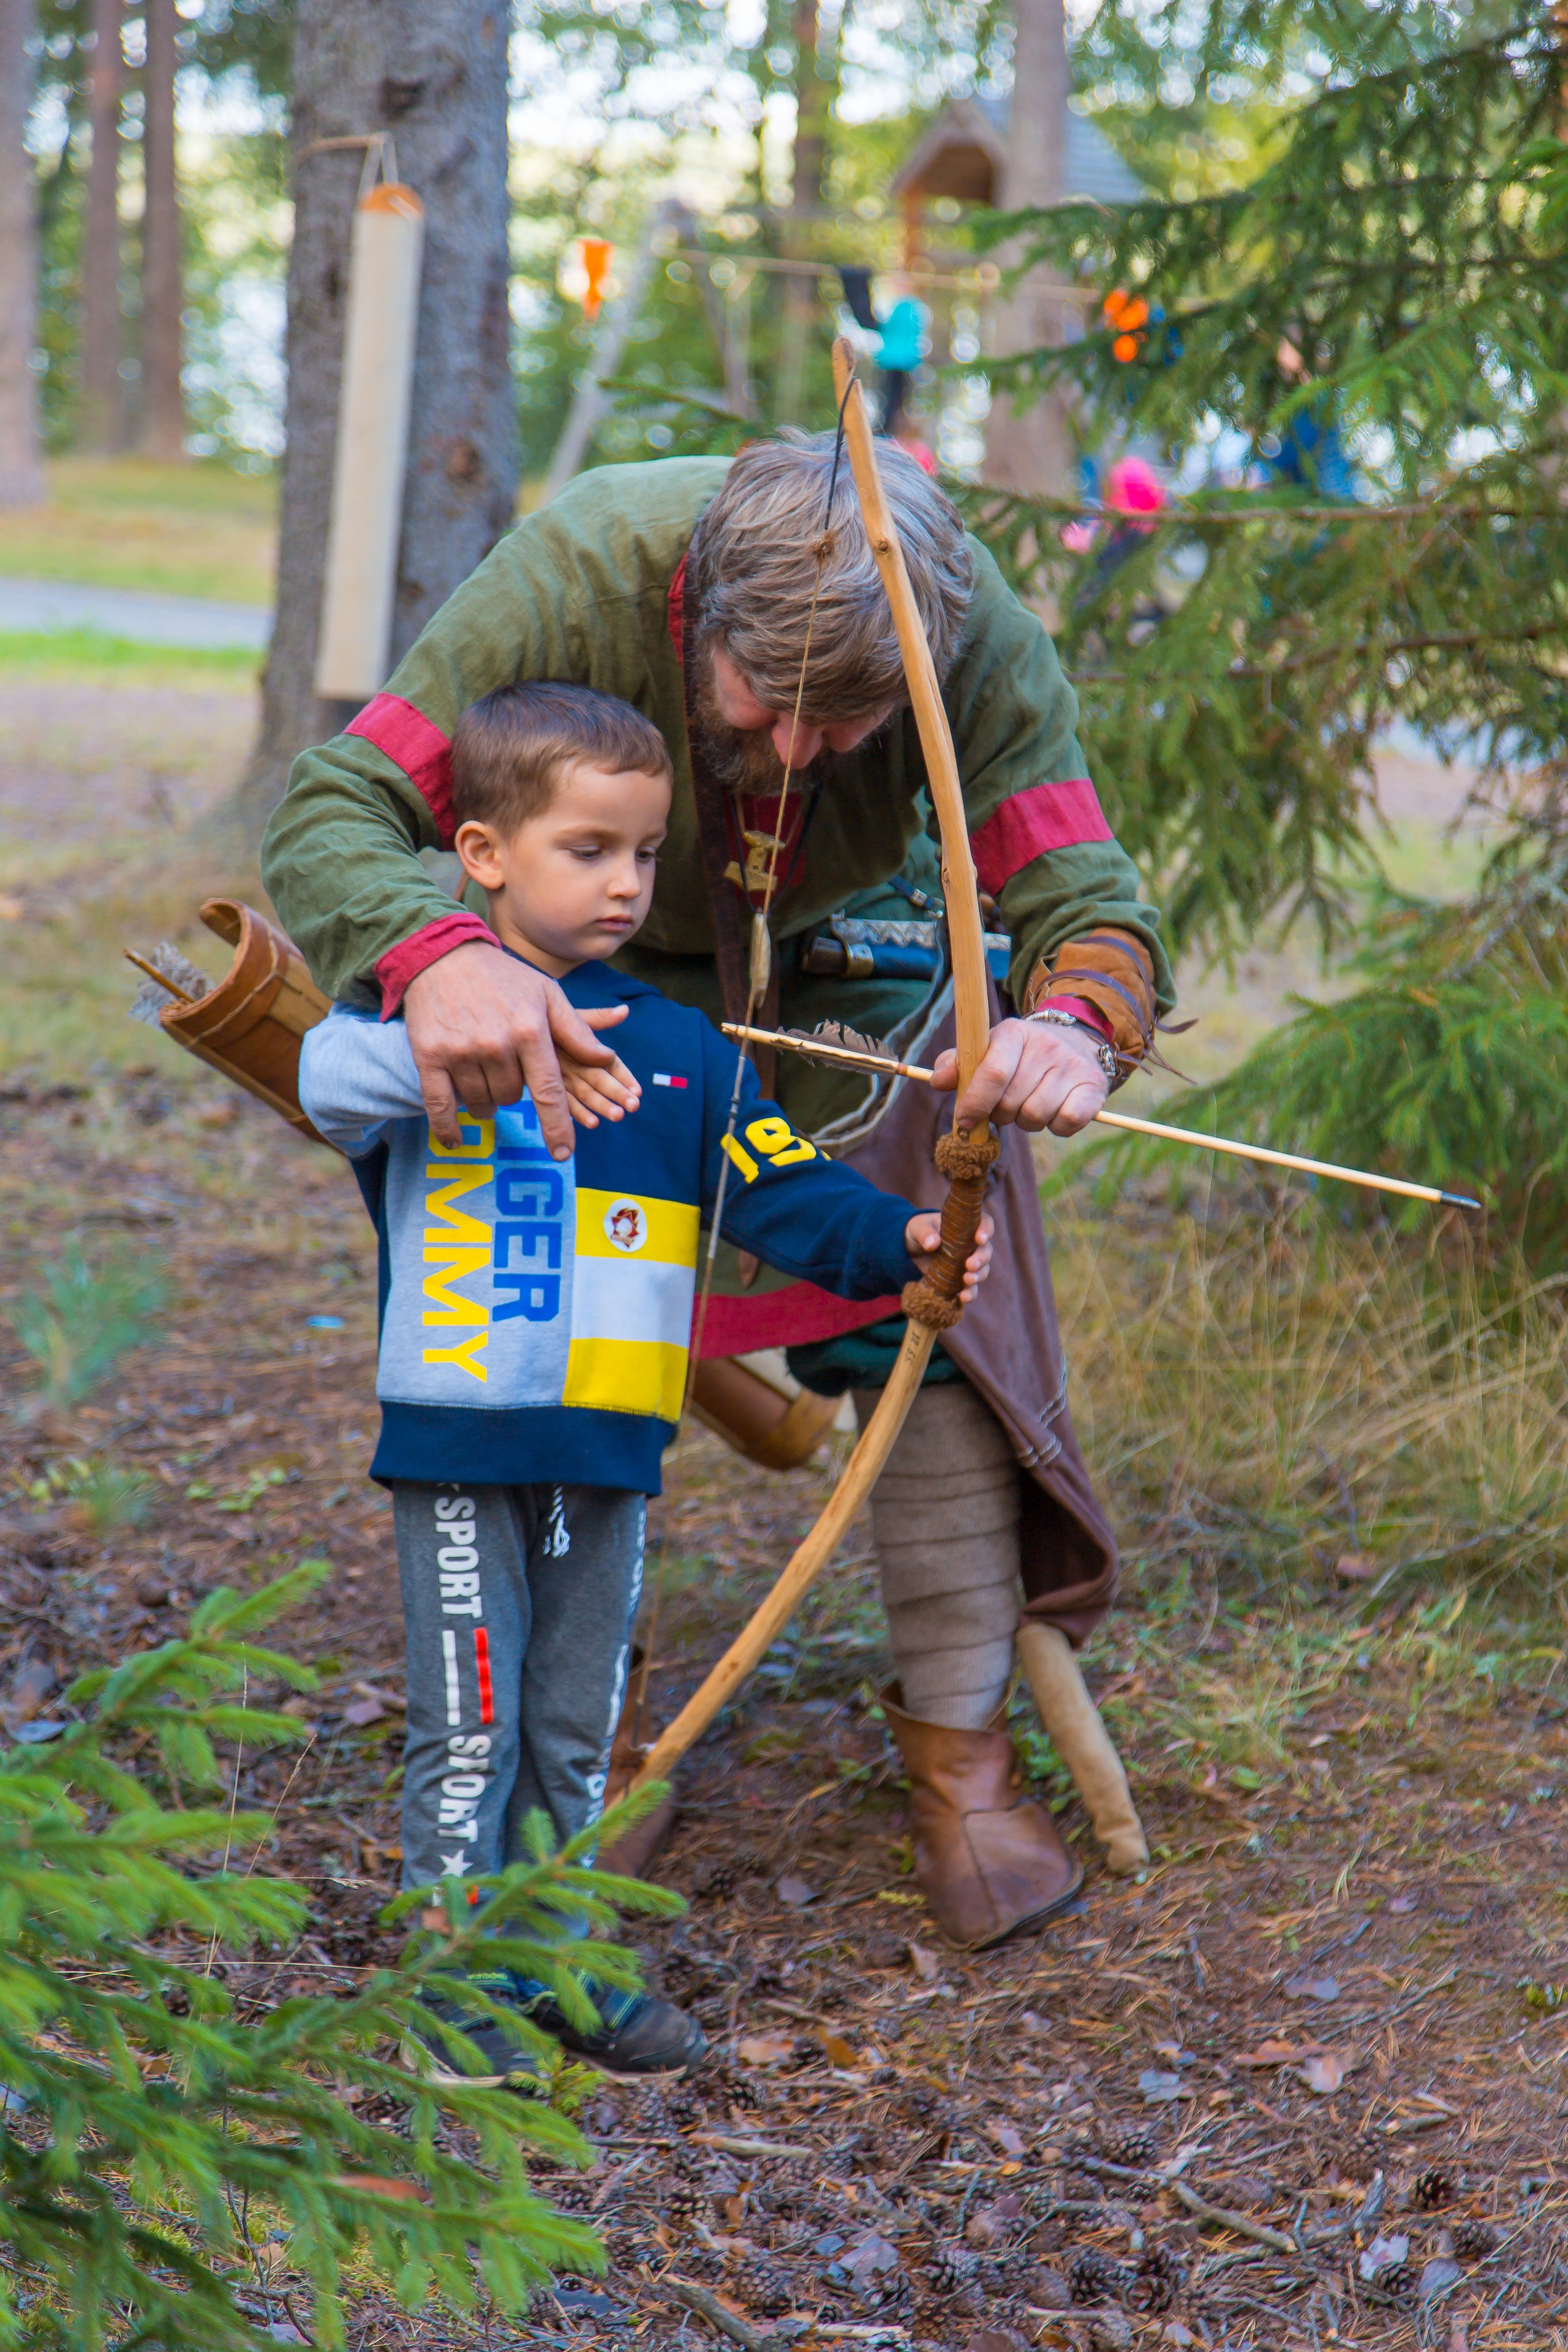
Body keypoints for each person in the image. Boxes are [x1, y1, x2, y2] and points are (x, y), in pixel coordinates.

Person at [264, 429, 1175, 1952]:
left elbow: (1083, 897)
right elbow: (334, 811)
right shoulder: (591, 567)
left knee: (928, 1306)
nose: (806, 752)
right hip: (588, 995)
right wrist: (453, 959)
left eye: (857, 720)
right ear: (701, 623)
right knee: (560, 1330)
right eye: (771, 707)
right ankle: (582, 1770)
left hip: (855, 984)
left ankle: (957, 1752)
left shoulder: (972, 631)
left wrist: (1070, 1026)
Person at [296, 680, 993, 2081]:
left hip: (609, 1455)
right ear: (483, 855)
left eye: (641, 852)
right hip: (460, 1451)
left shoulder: (680, 1056)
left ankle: (558, 1956)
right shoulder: (425, 1028)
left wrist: (911, 1240)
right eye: (584, 849)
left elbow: (793, 1205)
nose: (623, 883)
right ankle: (447, 1981)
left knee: (570, 1725)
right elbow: (325, 1080)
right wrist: (475, 1034)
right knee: (468, 1731)